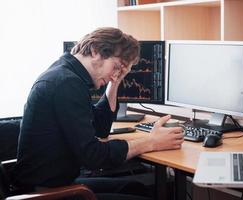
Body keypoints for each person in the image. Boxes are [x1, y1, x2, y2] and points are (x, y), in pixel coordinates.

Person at [13, 27, 184, 200]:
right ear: (95, 51)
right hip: (45, 193)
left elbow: (100, 128)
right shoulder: (66, 84)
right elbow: (94, 157)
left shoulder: (68, 75)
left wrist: (114, 83)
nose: (115, 74)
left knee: (134, 187)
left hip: (54, 183)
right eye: (116, 67)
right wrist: (150, 142)